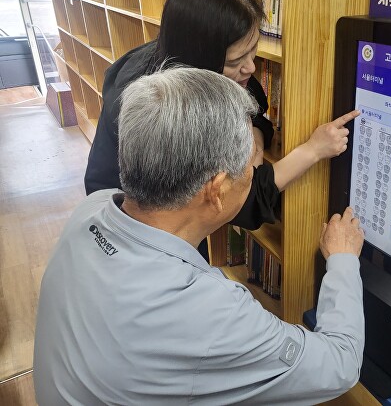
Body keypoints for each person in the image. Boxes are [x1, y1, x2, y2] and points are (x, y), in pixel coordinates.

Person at [34, 67, 365, 405]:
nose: (254, 173)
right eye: (250, 166)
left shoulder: (91, 209)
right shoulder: (208, 313)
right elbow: (340, 364)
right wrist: (342, 260)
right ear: (217, 190)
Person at [84, 0, 357, 261]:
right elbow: (242, 203)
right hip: (145, 243)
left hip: (112, 218)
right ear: (201, 61)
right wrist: (313, 150)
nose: (251, 68)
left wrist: (255, 134)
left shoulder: (166, 53)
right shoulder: (180, 119)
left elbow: (250, 94)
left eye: (253, 50)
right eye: (236, 61)